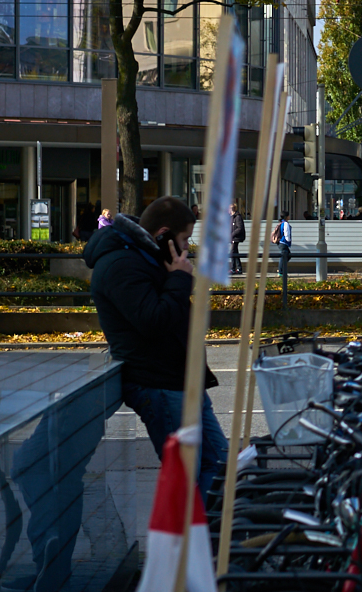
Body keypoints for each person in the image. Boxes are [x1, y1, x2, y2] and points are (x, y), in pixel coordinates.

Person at [84, 198, 228, 497]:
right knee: (189, 472)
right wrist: (178, 278)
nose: (188, 246)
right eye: (185, 238)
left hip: (181, 379)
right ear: (163, 233)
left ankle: (207, 536)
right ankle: (188, 539)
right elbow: (153, 320)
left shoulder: (146, 256)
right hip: (159, 382)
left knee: (219, 462)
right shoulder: (121, 264)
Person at [228, 201, 246, 276]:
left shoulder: (237, 217)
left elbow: (239, 228)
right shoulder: (232, 217)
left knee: (232, 252)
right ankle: (239, 269)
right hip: (233, 238)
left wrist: (232, 234)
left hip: (236, 238)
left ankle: (233, 269)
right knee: (235, 253)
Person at [275, 211, 293, 278]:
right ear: (286, 216)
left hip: (281, 242)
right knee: (284, 256)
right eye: (288, 215)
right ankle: (280, 272)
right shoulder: (285, 224)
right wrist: (288, 240)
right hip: (283, 242)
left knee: (287, 255)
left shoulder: (281, 223)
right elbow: (286, 233)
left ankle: (281, 269)